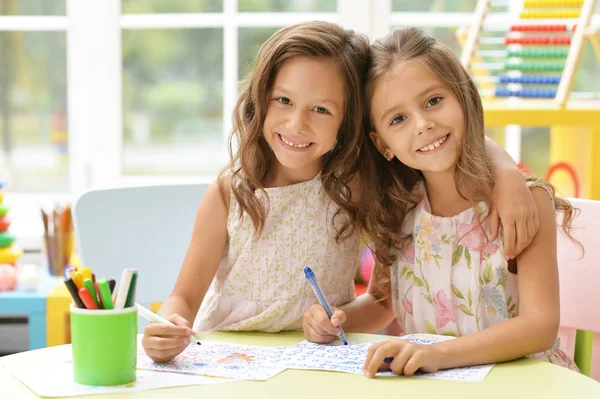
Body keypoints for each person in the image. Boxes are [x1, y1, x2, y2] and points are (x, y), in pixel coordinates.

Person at [142, 22, 538, 364]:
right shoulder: (231, 192)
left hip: (320, 360)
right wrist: (170, 327)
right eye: (283, 100)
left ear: (348, 122)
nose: (297, 124)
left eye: (322, 110)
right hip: (228, 357)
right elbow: (183, 300)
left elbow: (433, 140)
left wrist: (505, 170)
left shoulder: (359, 184)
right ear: (261, 98)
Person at [302, 27, 579, 377]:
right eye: (398, 119)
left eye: (434, 101)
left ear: (463, 98)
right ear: (382, 143)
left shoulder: (524, 201)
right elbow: (382, 302)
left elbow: (540, 326)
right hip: (436, 384)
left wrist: (437, 355)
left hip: (524, 384)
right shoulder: (399, 209)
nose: (423, 124)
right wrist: (334, 320)